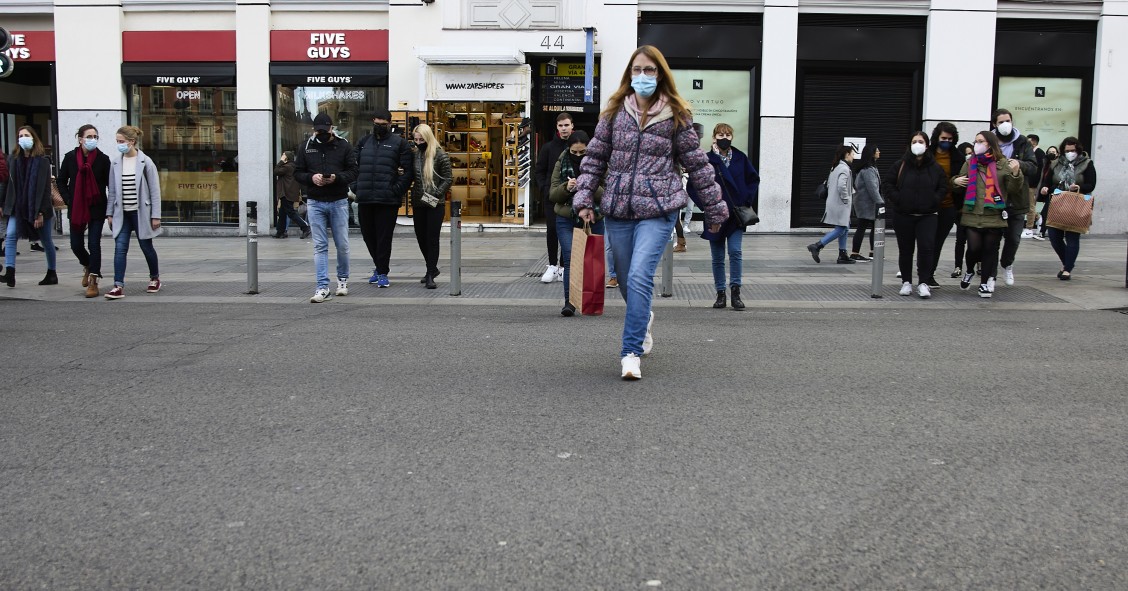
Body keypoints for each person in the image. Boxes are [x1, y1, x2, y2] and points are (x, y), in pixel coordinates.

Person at [573, 45, 726, 380]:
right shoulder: (613, 113)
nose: (643, 76)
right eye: (637, 70)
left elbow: (698, 166)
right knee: (627, 282)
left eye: (650, 70)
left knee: (640, 276)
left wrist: (714, 207)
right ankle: (643, 319)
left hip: (658, 209)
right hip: (618, 209)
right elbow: (594, 159)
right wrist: (585, 199)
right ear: (630, 74)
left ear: (661, 75)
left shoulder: (676, 116)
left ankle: (630, 352)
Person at [294, 112, 359, 303]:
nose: (321, 133)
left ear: (332, 128)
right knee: (320, 245)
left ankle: (342, 280)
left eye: (325, 130)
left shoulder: (344, 146)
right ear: (314, 130)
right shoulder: (306, 147)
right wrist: (311, 178)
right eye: (318, 131)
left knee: (342, 245)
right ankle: (322, 287)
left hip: (338, 200)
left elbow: (354, 171)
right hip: (315, 201)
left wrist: (336, 178)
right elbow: (298, 172)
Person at [952, 130, 1024, 298]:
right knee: (974, 249)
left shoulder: (1003, 164)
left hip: (994, 215)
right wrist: (955, 181)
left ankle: (984, 283)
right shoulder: (970, 163)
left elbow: (1014, 189)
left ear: (990, 144)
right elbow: (958, 184)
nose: (977, 144)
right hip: (972, 214)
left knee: (990, 251)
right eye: (976, 141)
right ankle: (969, 270)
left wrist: (1015, 174)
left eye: (981, 141)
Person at [699, 122, 759, 310]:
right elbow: (696, 185)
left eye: (728, 135)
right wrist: (706, 205)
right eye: (721, 135)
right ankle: (720, 294)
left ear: (732, 137)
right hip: (714, 215)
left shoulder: (740, 157)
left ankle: (736, 292)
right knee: (717, 257)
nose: (724, 138)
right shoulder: (706, 159)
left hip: (735, 215)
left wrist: (746, 200)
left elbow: (753, 179)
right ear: (714, 137)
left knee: (735, 252)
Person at [353, 107, 414, 288]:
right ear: (373, 122)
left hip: (387, 199)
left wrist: (396, 190)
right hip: (364, 197)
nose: (379, 126)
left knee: (384, 238)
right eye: (376, 123)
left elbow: (408, 172)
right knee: (368, 236)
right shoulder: (363, 142)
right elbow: (351, 166)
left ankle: (382, 272)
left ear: (389, 123)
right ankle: (379, 267)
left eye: (383, 124)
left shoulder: (399, 144)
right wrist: (355, 187)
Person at [883, 131, 947, 298]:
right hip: (903, 214)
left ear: (927, 145)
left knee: (926, 249)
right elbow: (888, 183)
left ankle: (924, 282)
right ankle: (906, 282)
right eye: (914, 141)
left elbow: (943, 187)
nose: (917, 144)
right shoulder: (900, 165)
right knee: (905, 250)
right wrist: (898, 199)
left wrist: (935, 200)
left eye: (921, 141)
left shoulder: (935, 167)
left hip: (928, 215)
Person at [549, 130, 604, 316]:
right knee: (571, 258)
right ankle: (570, 303)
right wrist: (567, 187)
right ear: (568, 149)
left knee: (593, 260)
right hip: (566, 218)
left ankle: (591, 302)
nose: (579, 156)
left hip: (594, 217)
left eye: (583, 152)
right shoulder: (561, 161)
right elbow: (553, 194)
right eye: (575, 153)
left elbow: (608, 193)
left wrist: (590, 185)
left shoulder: (600, 162)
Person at [103, 125, 162, 299]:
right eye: (117, 142)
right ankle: (117, 285)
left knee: (146, 247)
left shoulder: (146, 162)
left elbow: (155, 190)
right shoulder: (115, 163)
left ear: (132, 142)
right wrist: (110, 213)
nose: (119, 144)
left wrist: (156, 215)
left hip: (140, 212)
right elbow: (112, 191)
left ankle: (154, 278)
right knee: (120, 248)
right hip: (122, 213)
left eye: (121, 141)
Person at [56, 124, 111, 297]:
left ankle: (94, 280)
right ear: (80, 139)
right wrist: (69, 199)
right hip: (77, 207)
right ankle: (88, 265)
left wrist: (111, 209)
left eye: (95, 136)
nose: (92, 140)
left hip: (97, 206)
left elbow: (110, 184)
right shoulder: (70, 158)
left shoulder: (103, 159)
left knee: (94, 244)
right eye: (89, 137)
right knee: (76, 245)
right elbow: (61, 181)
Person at [3, 126, 58, 288]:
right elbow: (8, 185)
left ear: (33, 138)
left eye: (26, 135)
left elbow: (44, 189)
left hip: (40, 208)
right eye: (20, 135)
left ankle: (51, 272)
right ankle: (10, 272)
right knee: (11, 235)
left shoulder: (42, 161)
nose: (23, 138)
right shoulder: (13, 159)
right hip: (18, 206)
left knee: (46, 240)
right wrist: (3, 204)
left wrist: (40, 212)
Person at [991, 109, 1038, 287]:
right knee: (992, 239)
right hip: (994, 197)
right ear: (995, 124)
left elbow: (1033, 166)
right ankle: (990, 273)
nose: (1005, 125)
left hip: (1017, 198)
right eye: (1001, 121)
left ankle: (1007, 264)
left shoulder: (1022, 142)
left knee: (1013, 238)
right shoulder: (989, 141)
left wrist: (1020, 165)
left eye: (1008, 120)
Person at [1042, 137, 1097, 280]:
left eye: (1073, 150)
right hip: (1057, 203)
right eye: (1067, 151)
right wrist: (1046, 188)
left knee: (1073, 237)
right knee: (1054, 237)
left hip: (1076, 204)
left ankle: (1067, 269)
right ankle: (1067, 262)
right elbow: (1047, 182)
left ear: (1078, 150)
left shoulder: (1086, 164)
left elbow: (1091, 184)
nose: (1070, 153)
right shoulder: (1056, 164)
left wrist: (1079, 187)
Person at [409, 124, 452, 289]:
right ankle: (432, 268)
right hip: (419, 202)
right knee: (421, 238)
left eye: (421, 139)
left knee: (432, 238)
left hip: (435, 203)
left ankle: (429, 274)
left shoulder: (440, 155)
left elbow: (448, 178)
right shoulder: (415, 155)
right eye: (416, 139)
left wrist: (436, 194)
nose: (418, 142)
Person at [534, 112, 574, 283]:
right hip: (552, 197)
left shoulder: (578, 145)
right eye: (560, 125)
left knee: (568, 231)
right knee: (552, 230)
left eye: (566, 125)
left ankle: (564, 267)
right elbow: (539, 170)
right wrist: (544, 188)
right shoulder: (548, 147)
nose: (564, 129)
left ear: (572, 126)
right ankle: (552, 265)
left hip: (571, 197)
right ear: (557, 127)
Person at [927, 122, 966, 285]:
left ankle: (929, 274)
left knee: (938, 242)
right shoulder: (927, 154)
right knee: (926, 241)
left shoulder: (957, 157)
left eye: (950, 139)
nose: (947, 141)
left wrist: (956, 182)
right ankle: (924, 271)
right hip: (927, 206)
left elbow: (963, 182)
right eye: (944, 138)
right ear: (937, 137)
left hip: (949, 206)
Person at [806, 145, 856, 264]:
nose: (853, 156)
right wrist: (846, 199)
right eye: (852, 154)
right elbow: (841, 186)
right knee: (842, 228)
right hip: (840, 203)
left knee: (846, 226)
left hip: (834, 202)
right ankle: (818, 245)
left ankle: (842, 254)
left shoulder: (835, 167)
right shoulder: (844, 169)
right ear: (847, 154)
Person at [849, 145, 883, 262]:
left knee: (873, 226)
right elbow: (872, 188)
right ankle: (855, 253)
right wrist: (880, 202)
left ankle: (873, 252)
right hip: (865, 203)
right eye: (877, 150)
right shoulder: (867, 170)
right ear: (872, 154)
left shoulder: (871, 168)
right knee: (862, 226)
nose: (879, 152)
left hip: (867, 203)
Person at [950, 141, 975, 277]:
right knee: (960, 239)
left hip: (974, 209)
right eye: (966, 154)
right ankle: (958, 266)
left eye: (971, 153)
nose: (969, 156)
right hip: (961, 209)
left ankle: (977, 264)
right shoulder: (959, 169)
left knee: (975, 241)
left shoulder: (976, 167)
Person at [273, 150, 310, 239]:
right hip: (287, 193)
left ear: (286, 158)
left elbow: (276, 171)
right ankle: (280, 232)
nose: (281, 156)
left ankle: (305, 227)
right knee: (282, 213)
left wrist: (281, 161)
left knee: (291, 212)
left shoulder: (287, 167)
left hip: (286, 193)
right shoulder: (292, 166)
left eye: (283, 155)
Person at [1033, 144, 1059, 241]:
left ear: (1057, 154)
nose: (1051, 154)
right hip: (1045, 190)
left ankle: (1042, 232)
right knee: (1044, 211)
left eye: (1053, 152)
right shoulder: (1045, 164)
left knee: (1046, 212)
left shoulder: (1058, 165)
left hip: (1055, 191)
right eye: (1049, 152)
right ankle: (1042, 231)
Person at [1023, 134, 1046, 238]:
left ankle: (1029, 228)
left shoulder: (1039, 153)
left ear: (1034, 142)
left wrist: (1036, 185)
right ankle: (1037, 217)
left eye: (1029, 141)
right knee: (1026, 204)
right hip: (1026, 182)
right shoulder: (1030, 152)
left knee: (1030, 205)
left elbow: (1039, 171)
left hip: (1032, 184)